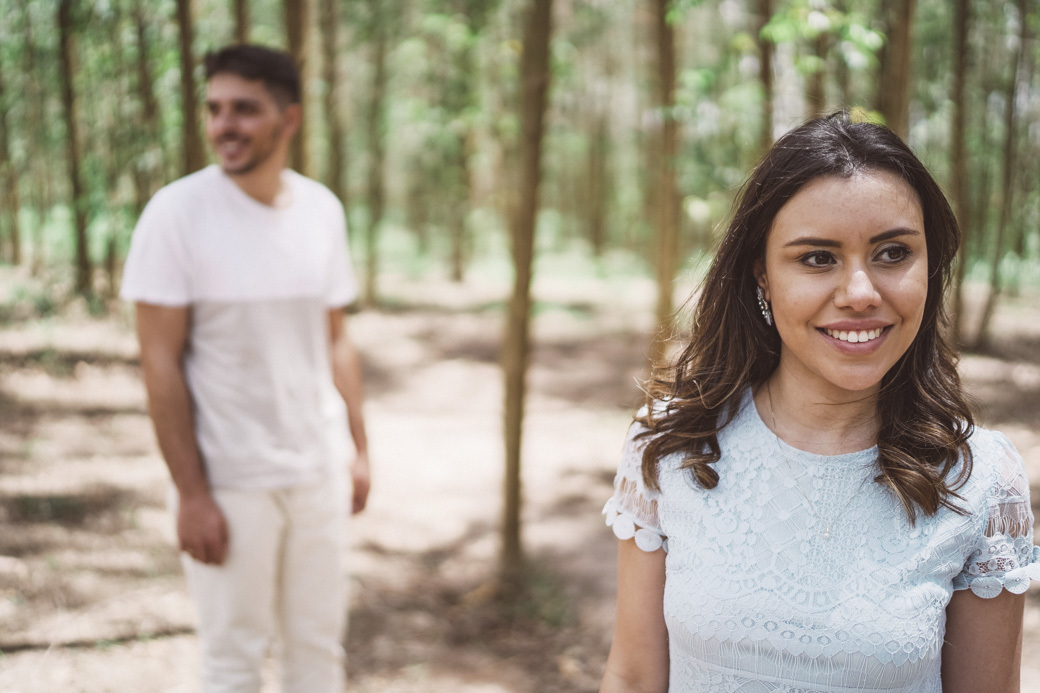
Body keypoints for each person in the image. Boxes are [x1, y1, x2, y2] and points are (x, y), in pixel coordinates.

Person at [600, 111, 1040, 692]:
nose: (860, 293)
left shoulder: (977, 480)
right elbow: (632, 678)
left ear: (931, 266)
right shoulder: (675, 445)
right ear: (762, 273)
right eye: (817, 258)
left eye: (892, 254)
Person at [120, 44, 369, 693]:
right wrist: (192, 492)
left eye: (244, 109)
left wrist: (358, 447)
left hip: (316, 468)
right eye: (215, 109)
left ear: (289, 118)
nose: (224, 124)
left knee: (318, 650)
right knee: (233, 661)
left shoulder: (322, 210)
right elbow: (159, 362)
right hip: (230, 479)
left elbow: (336, 340)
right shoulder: (176, 215)